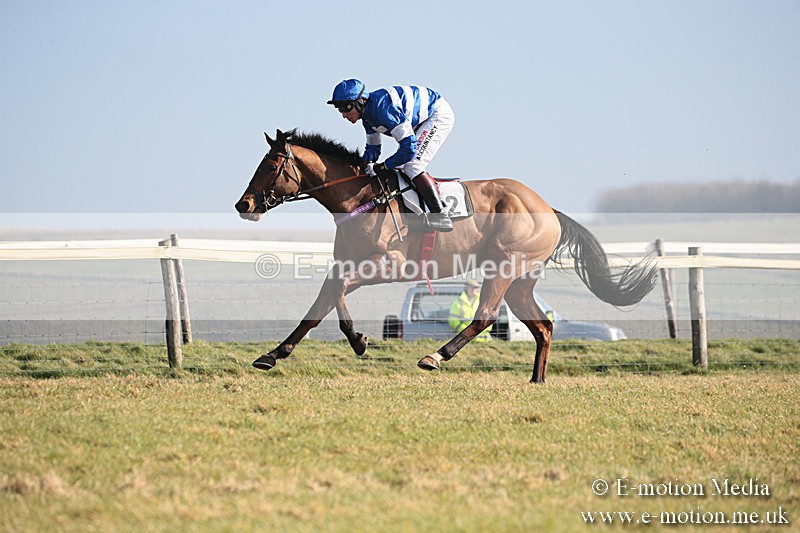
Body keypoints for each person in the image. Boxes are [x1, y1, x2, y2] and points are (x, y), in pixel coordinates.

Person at [327, 78, 455, 232]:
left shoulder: (383, 110)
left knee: (412, 165)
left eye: (346, 108)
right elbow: (373, 150)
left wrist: (383, 166)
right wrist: (360, 167)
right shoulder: (367, 118)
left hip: (437, 115)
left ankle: (439, 214)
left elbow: (409, 147)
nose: (344, 115)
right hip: (419, 119)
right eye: (339, 109)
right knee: (401, 166)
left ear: (360, 101)